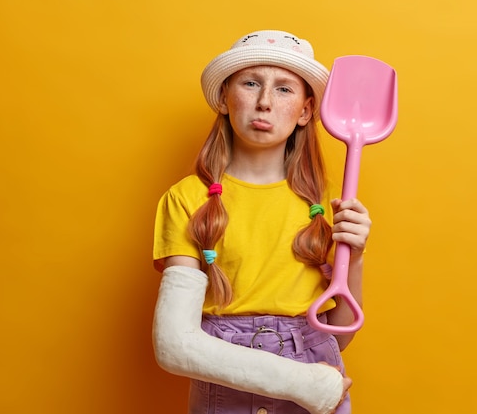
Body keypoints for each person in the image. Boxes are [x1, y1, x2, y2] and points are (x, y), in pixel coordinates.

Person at [152, 30, 372, 414]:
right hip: (225, 383)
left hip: (314, 369)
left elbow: (341, 335)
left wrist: (353, 258)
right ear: (224, 98)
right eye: (251, 83)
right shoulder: (186, 199)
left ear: (305, 111)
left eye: (284, 89)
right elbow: (174, 343)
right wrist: (305, 383)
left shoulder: (325, 204)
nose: (265, 102)